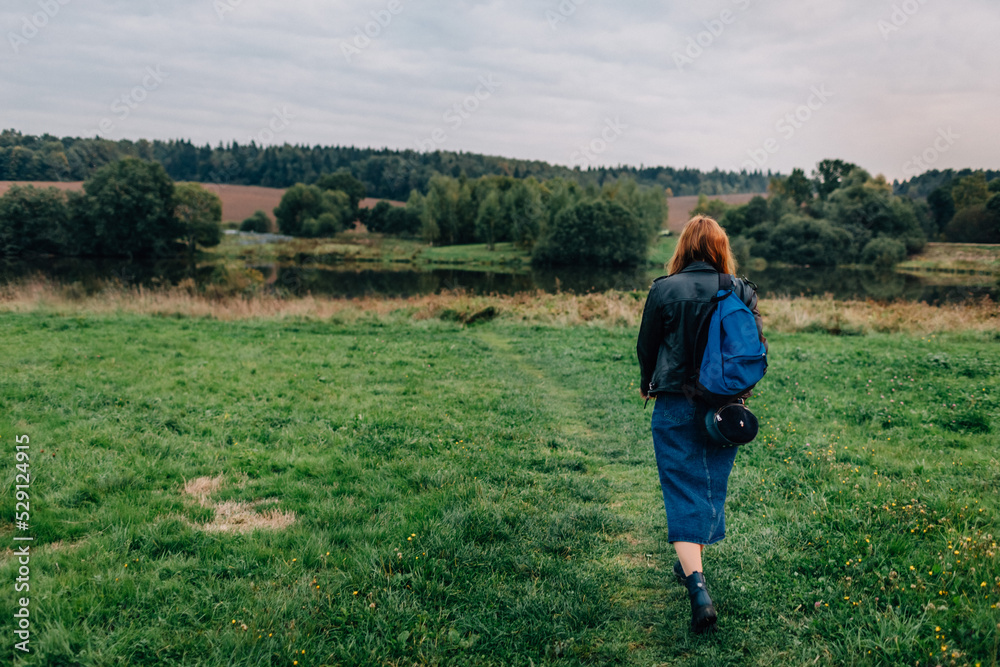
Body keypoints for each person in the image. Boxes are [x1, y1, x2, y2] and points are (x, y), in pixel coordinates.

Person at [635, 215, 765, 633]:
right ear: (719, 248)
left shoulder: (663, 289)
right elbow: (753, 348)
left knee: (680, 488)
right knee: (708, 484)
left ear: (684, 247)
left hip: (674, 403)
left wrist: (646, 383)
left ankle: (697, 587)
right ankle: (688, 559)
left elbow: (647, 345)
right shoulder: (740, 289)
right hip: (722, 411)